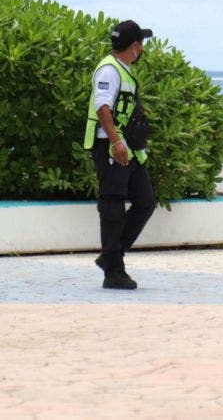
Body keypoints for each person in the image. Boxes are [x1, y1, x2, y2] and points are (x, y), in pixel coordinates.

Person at [83, 20, 155, 290]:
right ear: (135, 47)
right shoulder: (109, 70)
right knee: (112, 205)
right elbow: (102, 107)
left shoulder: (123, 70)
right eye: (142, 44)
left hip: (130, 148)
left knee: (145, 201)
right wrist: (116, 142)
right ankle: (114, 271)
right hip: (112, 146)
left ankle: (110, 255)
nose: (142, 49)